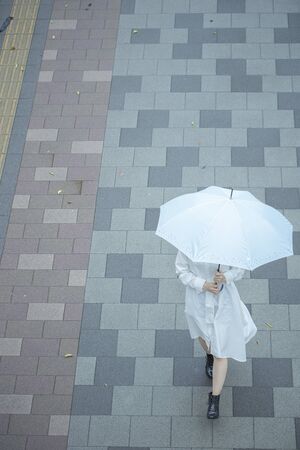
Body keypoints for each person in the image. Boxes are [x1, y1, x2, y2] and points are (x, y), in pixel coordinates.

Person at [175, 249, 257, 419]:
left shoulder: (230, 245)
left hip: (224, 304)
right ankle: (209, 354)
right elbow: (181, 271)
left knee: (221, 351)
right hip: (198, 302)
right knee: (202, 336)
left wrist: (226, 277)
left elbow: (239, 270)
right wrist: (202, 284)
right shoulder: (190, 246)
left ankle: (215, 399)